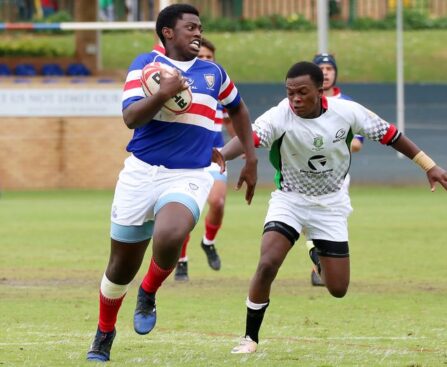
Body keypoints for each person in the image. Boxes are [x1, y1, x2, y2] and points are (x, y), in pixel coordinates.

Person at [218, 61, 447, 354]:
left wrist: (429, 166)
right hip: (291, 200)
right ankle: (250, 337)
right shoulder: (281, 115)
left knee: (337, 289)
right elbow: (251, 136)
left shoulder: (347, 112)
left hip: (331, 204)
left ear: (320, 90)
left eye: (302, 92)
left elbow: (392, 136)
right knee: (267, 263)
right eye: (290, 93)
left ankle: (316, 253)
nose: (295, 100)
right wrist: (223, 154)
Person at [86, 4, 257, 362]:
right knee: (120, 267)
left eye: (200, 27)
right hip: (141, 172)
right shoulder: (145, 65)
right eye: (190, 27)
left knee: (170, 234)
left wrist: (251, 159)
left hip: (190, 173)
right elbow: (130, 117)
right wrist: (162, 93)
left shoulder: (214, 73)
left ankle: (148, 291)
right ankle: (104, 332)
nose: (198, 33)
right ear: (168, 33)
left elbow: (239, 110)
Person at [174, 37, 235, 281]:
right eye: (202, 57)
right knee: (187, 211)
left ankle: (208, 242)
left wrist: (244, 148)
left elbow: (232, 123)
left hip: (214, 155)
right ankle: (181, 261)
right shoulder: (182, 89)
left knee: (217, 202)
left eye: (210, 57)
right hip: (187, 158)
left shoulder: (220, 89)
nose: (207, 61)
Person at [308, 52, 364, 286]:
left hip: (337, 175)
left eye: (330, 68)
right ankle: (316, 261)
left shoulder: (348, 104)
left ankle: (320, 264)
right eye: (321, 68)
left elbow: (358, 143)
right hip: (307, 171)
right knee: (305, 216)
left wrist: (331, 140)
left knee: (333, 217)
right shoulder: (305, 101)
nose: (326, 72)